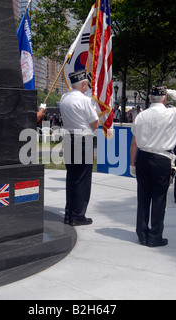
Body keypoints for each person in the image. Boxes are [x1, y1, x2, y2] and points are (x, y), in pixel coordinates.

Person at [130, 85, 176, 247]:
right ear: (165, 98)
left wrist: (132, 163)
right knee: (159, 199)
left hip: (143, 157)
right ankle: (155, 236)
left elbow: (134, 143)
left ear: (149, 98)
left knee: (143, 198)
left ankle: (142, 234)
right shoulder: (172, 113)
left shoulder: (140, 116)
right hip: (162, 158)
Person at [59, 70, 99, 226]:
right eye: (86, 85)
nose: (86, 87)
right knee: (82, 179)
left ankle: (69, 213)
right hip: (83, 139)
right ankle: (78, 215)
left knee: (72, 177)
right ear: (83, 84)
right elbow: (95, 123)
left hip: (68, 138)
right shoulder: (85, 100)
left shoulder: (64, 97)